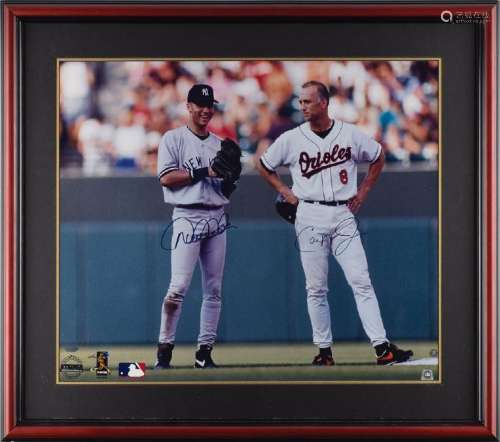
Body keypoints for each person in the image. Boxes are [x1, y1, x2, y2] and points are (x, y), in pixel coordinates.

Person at [257, 81, 413, 366]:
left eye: (307, 101)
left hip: (342, 215)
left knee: (361, 280)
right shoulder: (292, 138)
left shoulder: (349, 133)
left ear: (324, 102)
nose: (302, 106)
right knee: (316, 287)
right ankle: (324, 352)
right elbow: (263, 164)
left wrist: (364, 191)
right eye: (301, 102)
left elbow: (378, 156)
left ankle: (382, 347)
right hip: (310, 213)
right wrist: (283, 190)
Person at [155, 84, 239, 369]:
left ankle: (204, 352)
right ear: (188, 106)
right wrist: (205, 171)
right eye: (199, 104)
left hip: (216, 215)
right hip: (187, 215)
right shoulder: (173, 138)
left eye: (209, 105)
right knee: (177, 287)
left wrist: (230, 181)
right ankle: (165, 346)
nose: (205, 110)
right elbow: (166, 177)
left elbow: (226, 189)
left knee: (214, 289)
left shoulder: (219, 144)